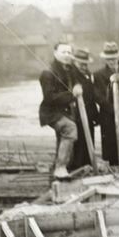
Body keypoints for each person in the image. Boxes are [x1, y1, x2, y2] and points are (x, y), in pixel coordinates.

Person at [38, 42, 79, 179]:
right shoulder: (47, 73)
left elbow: (78, 81)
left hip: (65, 111)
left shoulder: (70, 69)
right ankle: (60, 167)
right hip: (50, 113)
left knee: (62, 137)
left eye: (69, 52)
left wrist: (78, 87)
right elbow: (50, 98)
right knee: (69, 128)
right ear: (55, 54)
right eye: (63, 52)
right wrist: (72, 95)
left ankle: (57, 170)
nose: (67, 55)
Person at [92, 41, 119, 166]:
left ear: (117, 58)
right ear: (105, 60)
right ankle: (114, 165)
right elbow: (98, 96)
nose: (112, 61)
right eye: (109, 59)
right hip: (108, 113)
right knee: (110, 142)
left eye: (114, 58)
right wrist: (113, 109)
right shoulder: (98, 75)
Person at [68, 47, 99, 171]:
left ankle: (88, 164)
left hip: (88, 112)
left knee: (89, 139)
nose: (83, 66)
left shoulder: (88, 74)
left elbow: (91, 96)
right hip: (76, 113)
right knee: (78, 141)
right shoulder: (71, 74)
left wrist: (95, 115)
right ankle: (78, 166)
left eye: (85, 64)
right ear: (75, 62)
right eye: (81, 63)